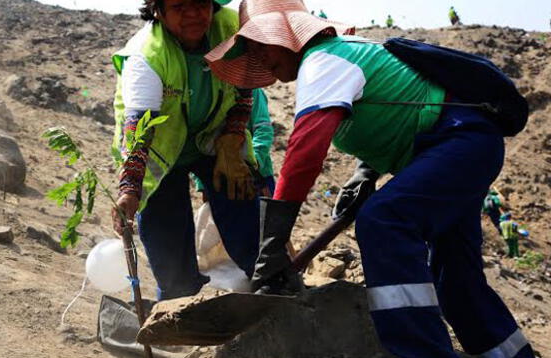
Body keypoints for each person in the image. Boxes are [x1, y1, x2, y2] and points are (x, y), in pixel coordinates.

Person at [204, 0, 535, 357]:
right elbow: (395, 105)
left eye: (261, 44)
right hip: (460, 149)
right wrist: (366, 172)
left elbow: (304, 152)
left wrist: (273, 244)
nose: (260, 57)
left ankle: (420, 352)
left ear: (289, 34)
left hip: (459, 141)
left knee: (384, 220)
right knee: (455, 277)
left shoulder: (323, 61)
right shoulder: (340, 57)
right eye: (251, 49)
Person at [110, 0, 262, 301]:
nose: (193, 15)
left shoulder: (232, 27)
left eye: (200, 4)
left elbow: (245, 87)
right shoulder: (147, 55)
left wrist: (232, 139)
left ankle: (268, 282)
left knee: (241, 202)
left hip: (213, 136)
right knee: (166, 233)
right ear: (158, 11)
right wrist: (130, 188)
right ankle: (180, 306)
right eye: (180, 6)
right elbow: (140, 128)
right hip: (159, 149)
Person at [194, 89, 275, 198]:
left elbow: (263, 129)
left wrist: (252, 164)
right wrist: (202, 183)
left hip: (255, 177)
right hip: (216, 177)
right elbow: (197, 138)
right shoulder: (207, 89)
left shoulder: (254, 90)